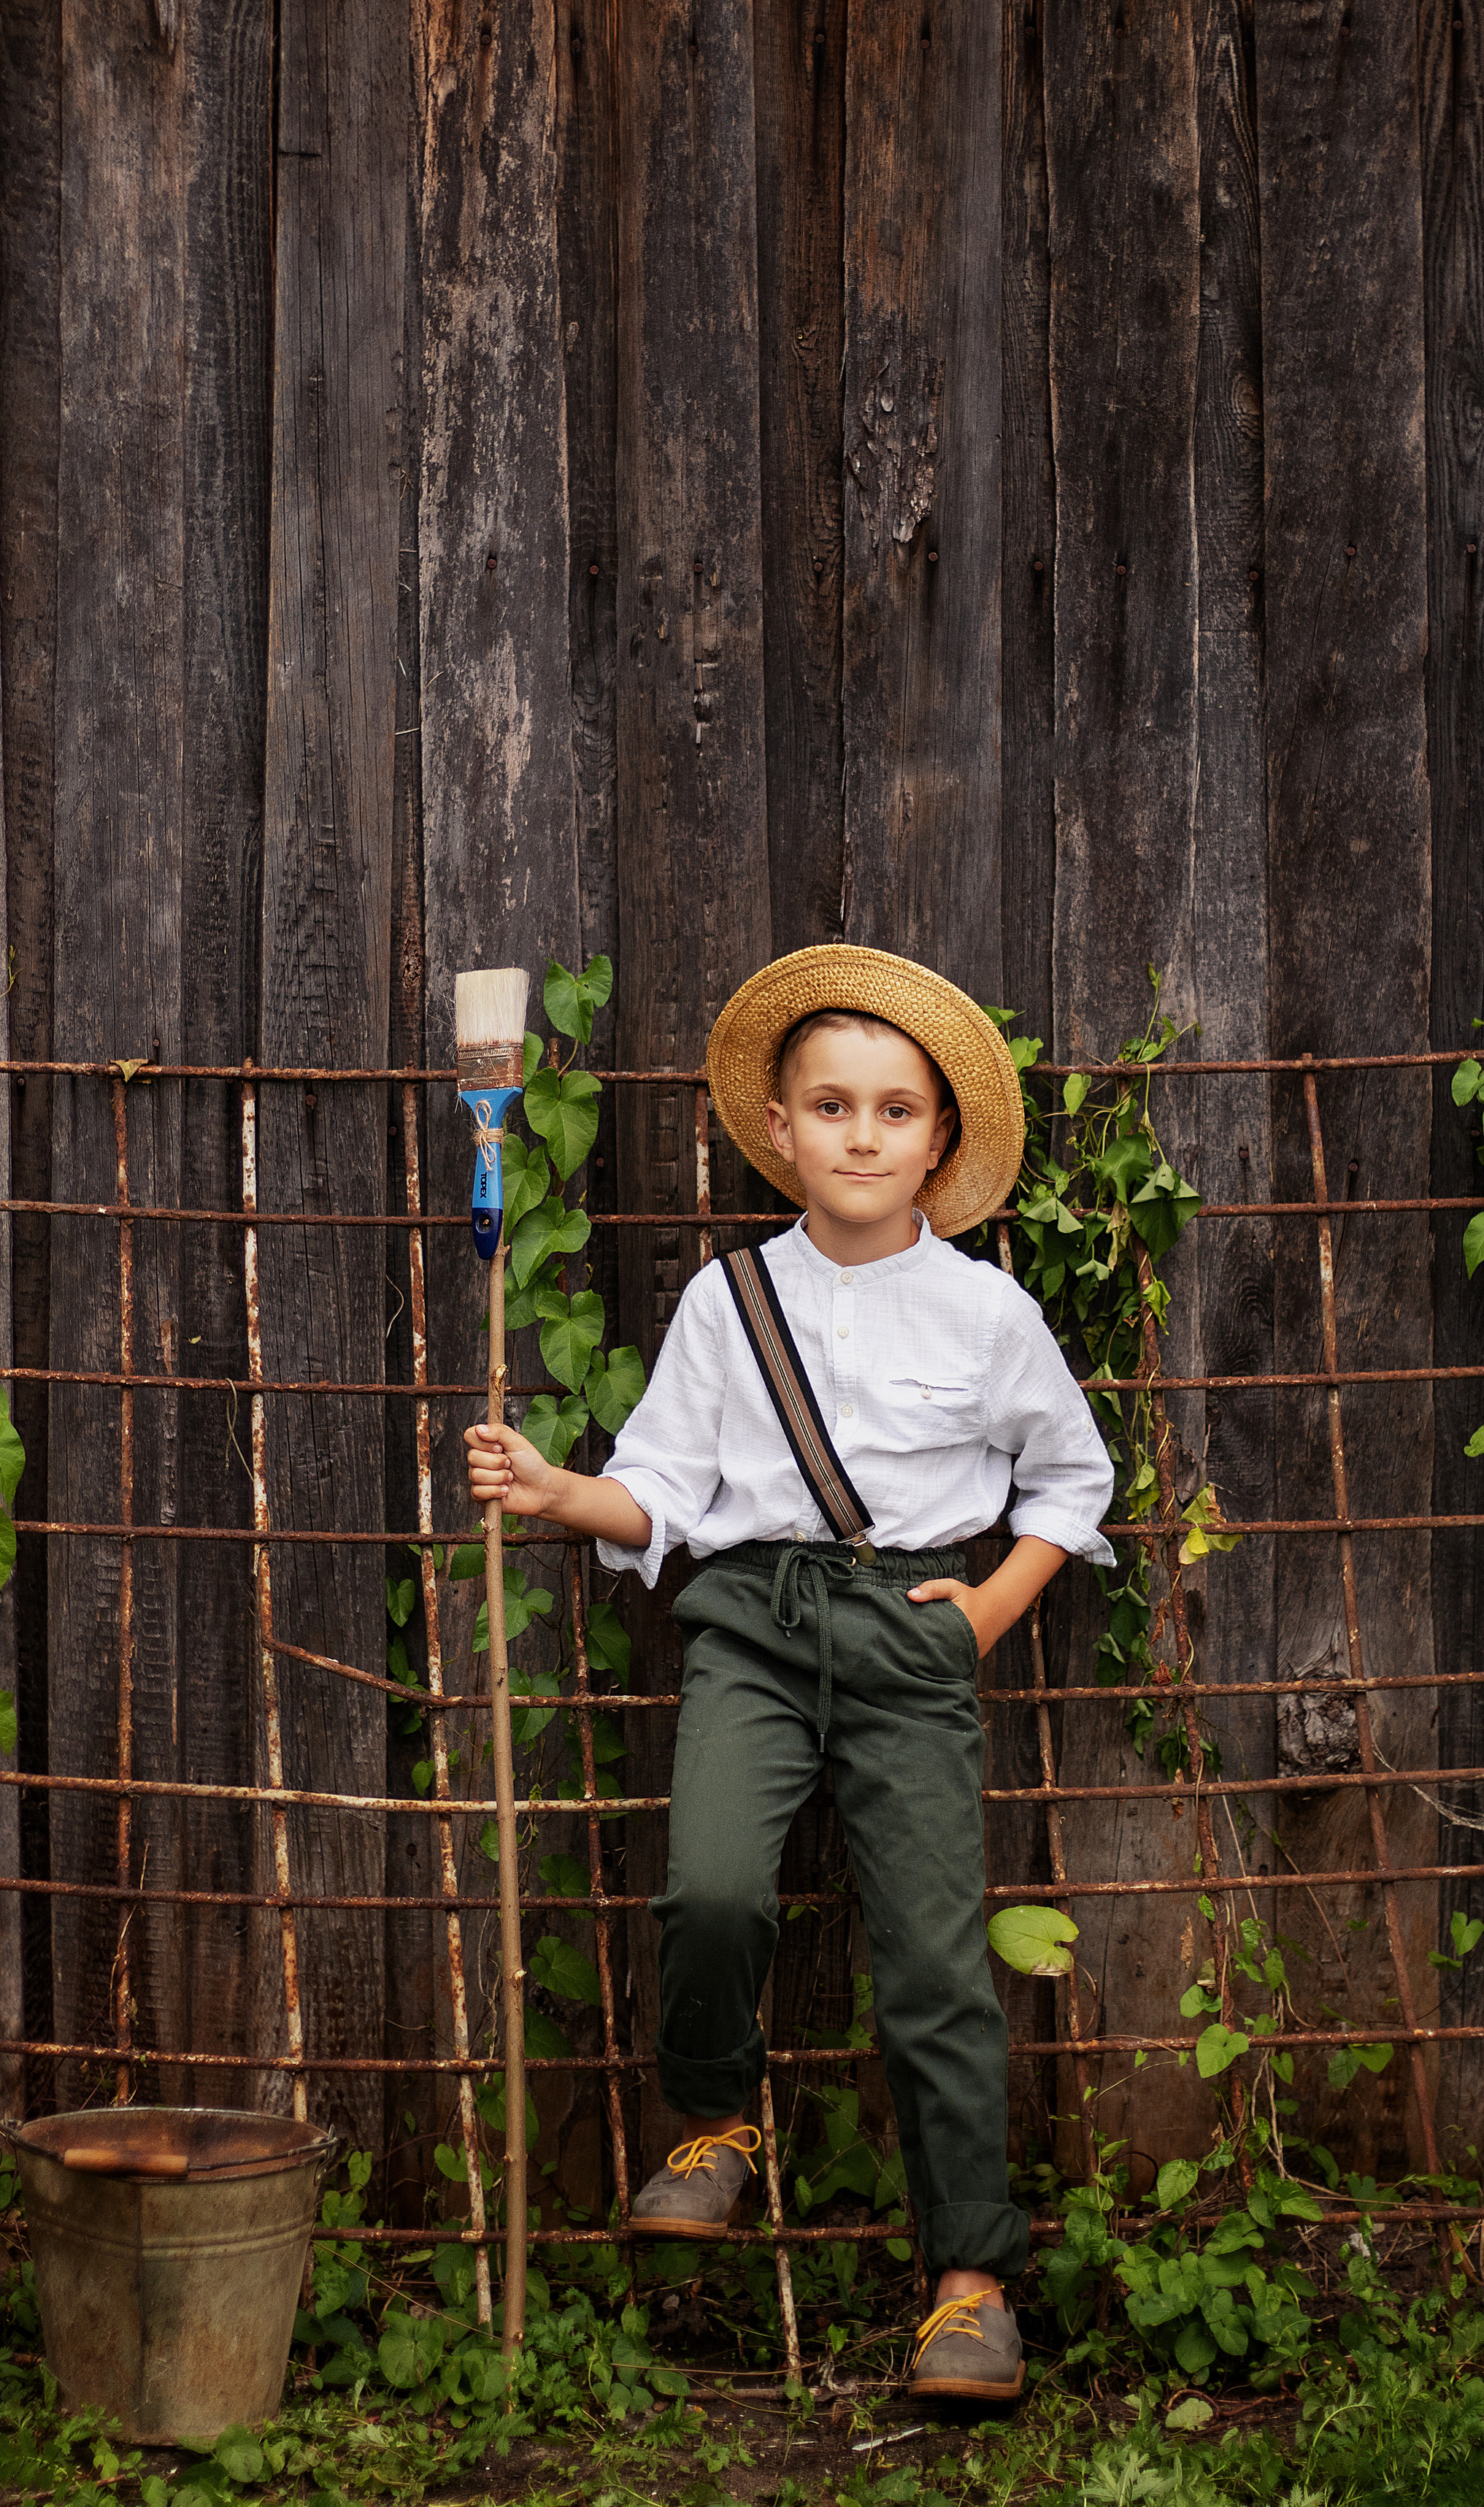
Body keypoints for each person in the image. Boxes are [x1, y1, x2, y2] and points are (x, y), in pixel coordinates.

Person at [465, 945, 1115, 2401]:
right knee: (708, 1887)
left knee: (936, 1969)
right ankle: (716, 2124)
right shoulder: (726, 1299)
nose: (862, 1136)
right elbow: (660, 1492)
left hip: (910, 1635)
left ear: (938, 1140)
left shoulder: (986, 1314)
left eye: (895, 1111)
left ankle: (966, 2282)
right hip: (752, 1627)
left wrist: (983, 1615)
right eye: (831, 1106)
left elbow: (1070, 1483)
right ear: (776, 1129)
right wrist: (557, 1490)